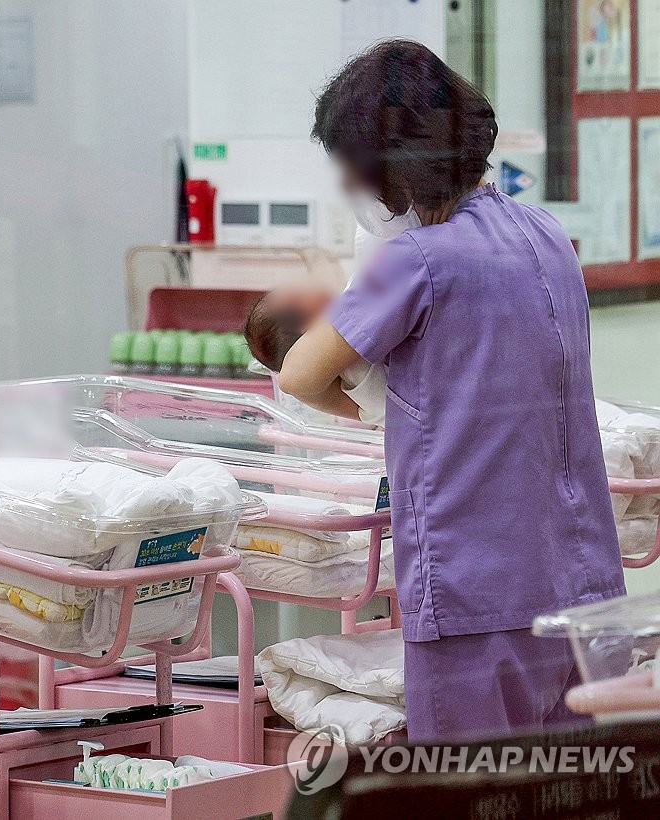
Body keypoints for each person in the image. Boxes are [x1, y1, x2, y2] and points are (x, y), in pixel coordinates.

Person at [277, 39, 625, 741]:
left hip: (475, 592)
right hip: (581, 584)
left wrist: (369, 410)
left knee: (466, 795)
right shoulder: (546, 233)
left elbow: (298, 372)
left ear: (386, 170)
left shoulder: (415, 262)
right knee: (570, 794)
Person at [245, 285, 387, 426]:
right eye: (300, 296)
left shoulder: (344, 375)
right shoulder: (349, 343)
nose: (312, 287)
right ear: (307, 328)